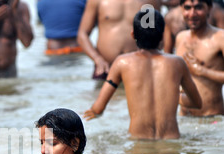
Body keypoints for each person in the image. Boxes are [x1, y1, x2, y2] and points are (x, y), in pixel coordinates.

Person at [84, 8, 202, 139]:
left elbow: (99, 108)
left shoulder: (122, 62)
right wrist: (172, 98)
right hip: (171, 143)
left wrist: (93, 112)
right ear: (162, 35)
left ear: (133, 35)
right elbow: (197, 103)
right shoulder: (178, 63)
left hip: (139, 143)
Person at [77, 0, 161, 80]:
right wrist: (97, 59)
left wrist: (152, 58)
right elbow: (82, 34)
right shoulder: (97, 1)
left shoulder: (150, 1)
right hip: (105, 68)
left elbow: (160, 33)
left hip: (139, 66)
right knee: (98, 95)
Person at [175, 0, 224, 116]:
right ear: (181, 9)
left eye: (198, 7)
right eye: (187, 8)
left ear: (210, 8)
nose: (192, 14)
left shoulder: (220, 38)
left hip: (212, 120)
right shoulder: (180, 38)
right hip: (184, 119)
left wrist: (202, 71)